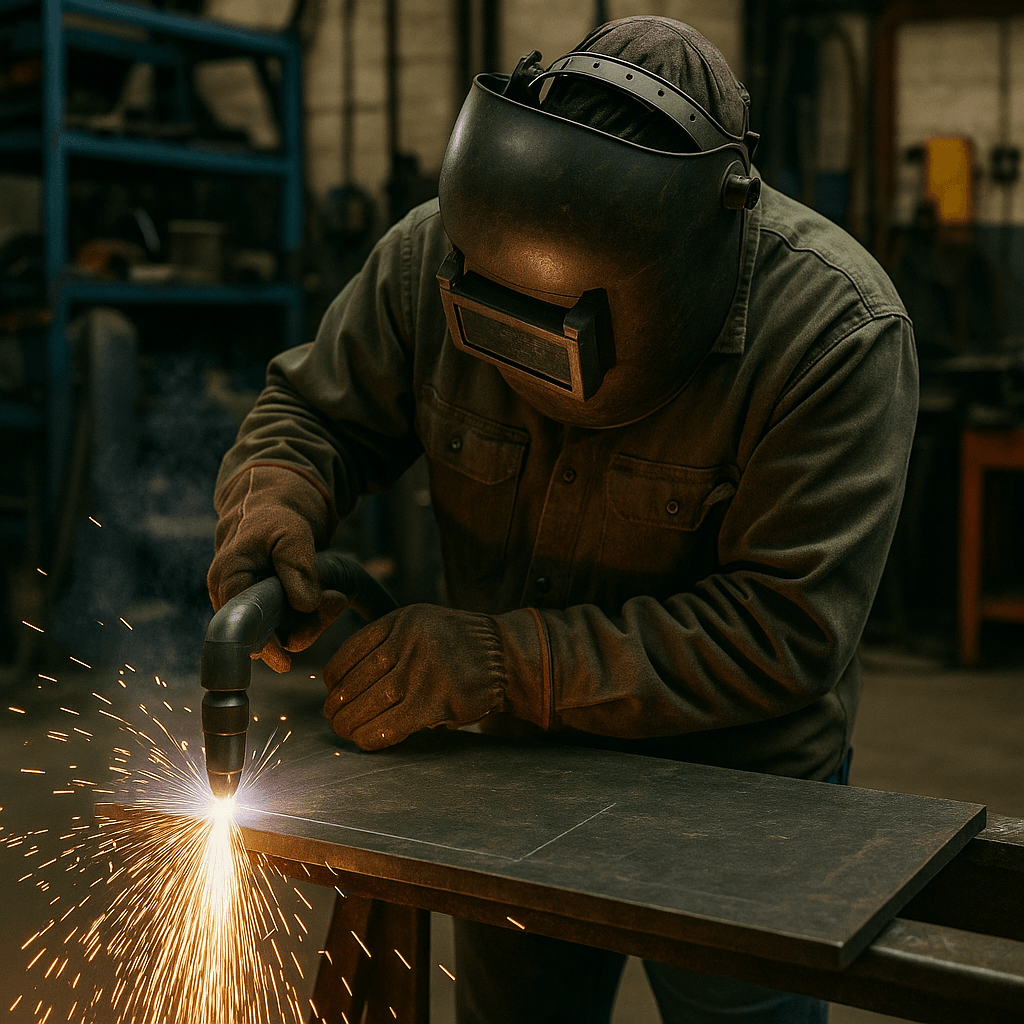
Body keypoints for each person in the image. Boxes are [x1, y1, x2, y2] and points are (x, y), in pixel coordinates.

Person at [207, 16, 917, 1024]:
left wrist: (501, 660)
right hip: (511, 773)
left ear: (707, 239)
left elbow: (785, 630)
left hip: (741, 796)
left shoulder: (837, 332)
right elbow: (313, 412)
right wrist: (271, 499)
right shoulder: (432, 251)